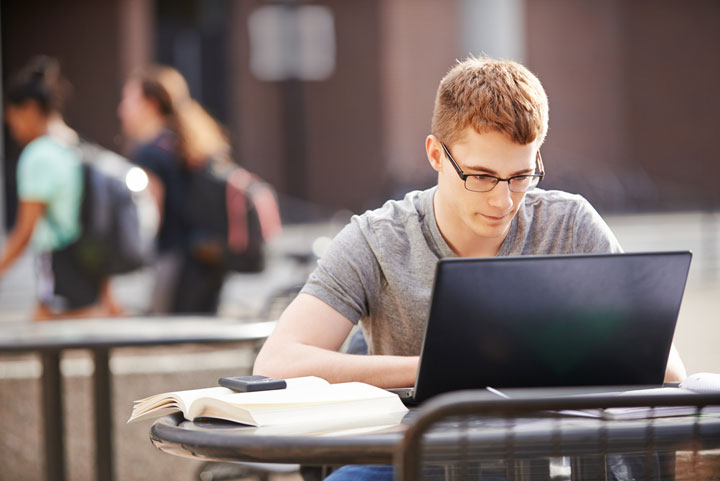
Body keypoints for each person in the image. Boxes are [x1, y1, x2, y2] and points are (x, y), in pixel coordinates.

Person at [252, 57, 686, 480]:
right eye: (480, 176)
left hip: (559, 457)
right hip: (422, 456)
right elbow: (277, 363)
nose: (503, 201)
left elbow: (667, 370)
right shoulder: (378, 238)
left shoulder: (570, 224)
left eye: (521, 176)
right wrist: (444, 367)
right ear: (436, 155)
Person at [0, 56, 121, 319]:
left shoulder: (39, 154)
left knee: (47, 338)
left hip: (60, 265)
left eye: (12, 120)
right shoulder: (78, 145)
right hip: (89, 263)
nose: (12, 130)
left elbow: (24, 232)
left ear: (30, 109)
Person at [117, 65, 230, 313]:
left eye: (128, 100)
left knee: (164, 339)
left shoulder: (149, 153)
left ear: (151, 104)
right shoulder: (182, 143)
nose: (121, 110)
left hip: (172, 264)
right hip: (203, 259)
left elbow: (149, 217)